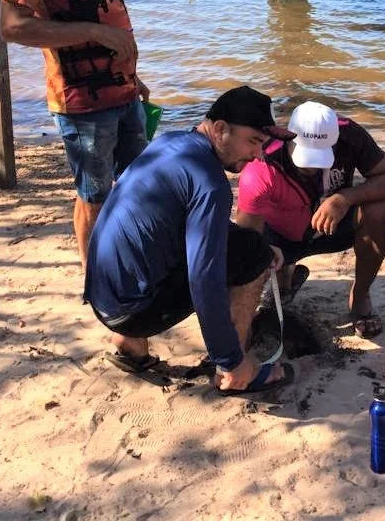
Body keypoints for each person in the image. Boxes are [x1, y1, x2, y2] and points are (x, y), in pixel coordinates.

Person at [84, 85, 298, 395]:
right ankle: (233, 373)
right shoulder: (211, 183)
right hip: (133, 312)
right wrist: (230, 359)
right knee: (253, 256)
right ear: (221, 129)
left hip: (103, 298)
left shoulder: (172, 143)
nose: (257, 155)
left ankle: (130, 346)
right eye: (253, 142)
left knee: (248, 245)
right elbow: (204, 279)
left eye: (262, 145)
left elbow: (192, 223)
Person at [1, 0, 150, 270]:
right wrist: (92, 32)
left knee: (138, 183)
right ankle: (93, 273)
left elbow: (106, 7)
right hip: (81, 100)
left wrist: (131, 74)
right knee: (94, 193)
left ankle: (125, 257)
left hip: (122, 89)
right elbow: (12, 25)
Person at [236, 101, 385, 338]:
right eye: (307, 158)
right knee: (255, 270)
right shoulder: (263, 163)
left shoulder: (350, 135)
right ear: (286, 137)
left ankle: (361, 294)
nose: (313, 167)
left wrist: (344, 198)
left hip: (331, 227)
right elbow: (244, 238)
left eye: (321, 156)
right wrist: (264, 252)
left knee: (379, 209)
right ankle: (283, 274)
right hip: (279, 239)